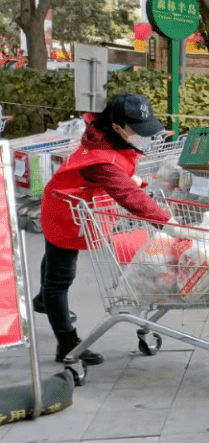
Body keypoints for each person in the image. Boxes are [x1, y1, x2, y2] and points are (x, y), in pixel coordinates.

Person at [37, 92, 171, 365]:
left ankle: (44, 299)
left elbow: (120, 175)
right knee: (60, 280)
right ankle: (66, 343)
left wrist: (133, 178)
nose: (144, 137)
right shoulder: (100, 158)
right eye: (139, 131)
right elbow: (129, 197)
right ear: (118, 127)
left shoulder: (111, 139)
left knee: (53, 264)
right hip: (66, 216)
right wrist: (169, 224)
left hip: (73, 206)